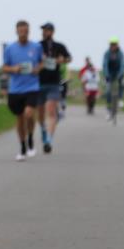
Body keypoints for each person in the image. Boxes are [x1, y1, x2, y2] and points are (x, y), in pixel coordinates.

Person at [2, 20, 43, 161]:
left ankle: (31, 137)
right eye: (21, 31)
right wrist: (14, 69)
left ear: (29, 31)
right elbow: (5, 67)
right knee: (20, 118)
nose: (23, 33)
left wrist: (38, 68)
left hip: (32, 86)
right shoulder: (9, 48)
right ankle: (23, 146)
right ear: (16, 31)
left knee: (29, 113)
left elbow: (42, 62)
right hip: (16, 89)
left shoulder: (36, 47)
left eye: (25, 31)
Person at [35, 22, 71, 154]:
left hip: (54, 83)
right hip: (38, 83)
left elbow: (68, 58)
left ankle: (49, 140)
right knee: (40, 114)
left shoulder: (59, 46)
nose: (45, 32)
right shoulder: (37, 46)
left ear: (52, 31)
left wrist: (63, 60)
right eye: (43, 30)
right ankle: (44, 132)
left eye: (47, 30)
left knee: (50, 111)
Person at [102, 38, 124, 117]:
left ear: (117, 45)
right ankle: (109, 104)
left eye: (114, 44)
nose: (113, 46)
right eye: (111, 44)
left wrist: (121, 75)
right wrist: (106, 75)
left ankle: (120, 99)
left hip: (118, 72)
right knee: (108, 90)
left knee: (122, 84)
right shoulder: (107, 53)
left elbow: (123, 65)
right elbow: (105, 65)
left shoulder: (121, 53)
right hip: (109, 73)